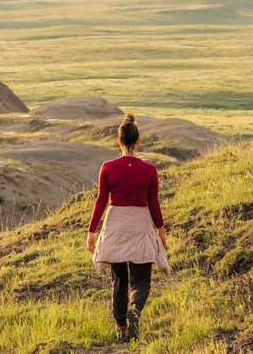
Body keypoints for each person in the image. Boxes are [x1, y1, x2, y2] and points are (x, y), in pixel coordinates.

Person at [85, 113, 168, 343]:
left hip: (116, 225)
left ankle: (121, 326)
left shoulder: (108, 167)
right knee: (141, 280)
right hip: (140, 224)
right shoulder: (149, 169)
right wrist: (160, 232)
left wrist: (91, 232)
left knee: (119, 278)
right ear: (138, 141)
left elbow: (101, 200)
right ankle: (135, 309)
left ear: (119, 141)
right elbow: (154, 203)